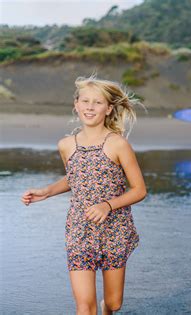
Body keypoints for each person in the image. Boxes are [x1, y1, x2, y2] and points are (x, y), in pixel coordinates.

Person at [21, 75, 147, 315]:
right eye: (85, 101)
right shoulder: (66, 145)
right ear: (76, 104)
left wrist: (107, 205)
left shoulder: (118, 144)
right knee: (84, 306)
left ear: (109, 108)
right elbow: (76, 178)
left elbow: (139, 190)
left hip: (115, 229)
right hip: (80, 228)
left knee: (114, 303)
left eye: (97, 102)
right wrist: (46, 192)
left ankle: (106, 309)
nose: (90, 107)